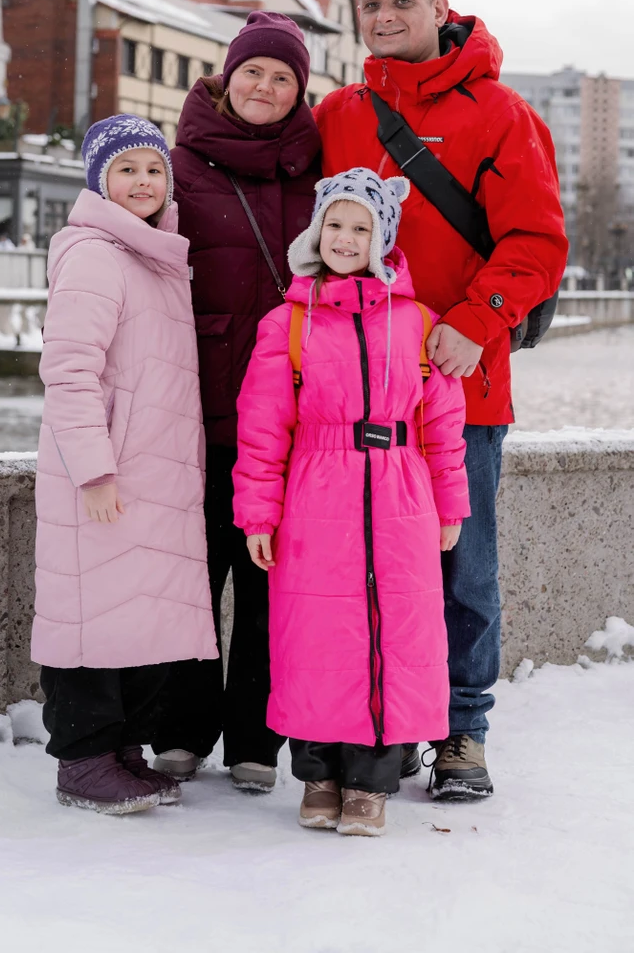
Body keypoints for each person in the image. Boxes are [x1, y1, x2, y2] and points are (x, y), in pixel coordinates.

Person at [316, 0, 568, 800]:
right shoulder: (338, 113)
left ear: (439, 5)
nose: (385, 15)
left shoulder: (500, 113)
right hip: (357, 394)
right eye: (371, 2)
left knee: (463, 567)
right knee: (362, 570)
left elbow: (536, 243)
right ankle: (379, 723)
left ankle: (463, 731)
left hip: (463, 386)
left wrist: (474, 321)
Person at [233, 168, 469, 836]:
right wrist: (259, 512)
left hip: (400, 489)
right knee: (317, 637)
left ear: (382, 239)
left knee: (395, 633)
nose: (344, 238)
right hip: (316, 491)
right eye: (334, 224)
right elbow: (262, 427)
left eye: (360, 227)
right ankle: (320, 775)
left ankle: (372, 781)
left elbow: (442, 427)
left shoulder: (418, 323)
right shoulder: (290, 324)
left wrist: (451, 507)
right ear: (315, 232)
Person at [151, 11, 321, 792]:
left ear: (299, 92)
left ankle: (257, 739)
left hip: (288, 418)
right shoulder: (177, 166)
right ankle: (182, 727)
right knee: (195, 574)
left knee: (269, 582)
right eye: (254, 71)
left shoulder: (316, 172)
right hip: (197, 407)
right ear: (226, 76)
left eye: (282, 77)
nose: (265, 87)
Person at [32, 114, 217, 815]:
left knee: (131, 614)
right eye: (126, 170)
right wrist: (94, 469)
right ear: (98, 181)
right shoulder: (94, 254)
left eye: (153, 170)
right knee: (90, 615)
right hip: (108, 471)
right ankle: (82, 758)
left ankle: (119, 751)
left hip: (151, 469)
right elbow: (70, 371)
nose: (142, 182)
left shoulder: (151, 251)